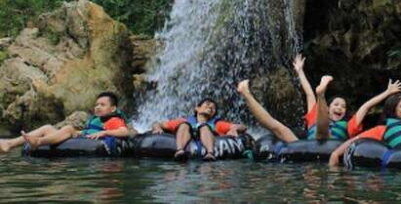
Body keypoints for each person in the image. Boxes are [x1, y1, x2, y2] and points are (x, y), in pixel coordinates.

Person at [237, 63, 401, 142]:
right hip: (307, 144)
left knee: (322, 132)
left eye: (343, 106)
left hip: (329, 141)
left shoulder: (350, 124)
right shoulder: (314, 116)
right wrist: (300, 71)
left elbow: (366, 106)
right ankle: (246, 94)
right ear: (329, 108)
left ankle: (321, 94)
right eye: (337, 104)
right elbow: (308, 92)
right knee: (277, 127)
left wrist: (387, 92)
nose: (340, 108)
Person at [0, 91, 130, 153]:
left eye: (102, 105)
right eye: (96, 104)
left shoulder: (114, 120)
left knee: (68, 128)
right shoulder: (96, 119)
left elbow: (124, 131)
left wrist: (104, 133)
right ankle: (10, 143)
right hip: (82, 136)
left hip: (92, 141)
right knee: (47, 127)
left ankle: (38, 142)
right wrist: (80, 132)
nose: (98, 107)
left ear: (113, 108)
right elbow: (88, 131)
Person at [150, 98, 246, 161]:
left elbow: (242, 127)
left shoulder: (218, 124)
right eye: (207, 104)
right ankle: (180, 151)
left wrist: (235, 129)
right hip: (186, 139)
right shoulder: (184, 121)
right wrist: (157, 128)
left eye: (213, 108)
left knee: (204, 126)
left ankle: (210, 153)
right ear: (197, 108)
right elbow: (158, 123)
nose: (210, 107)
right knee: (184, 125)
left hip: (208, 139)